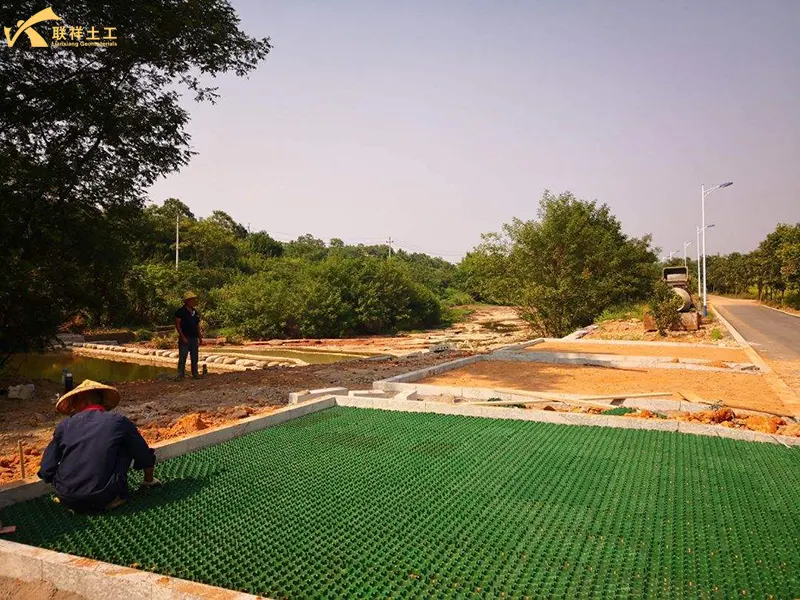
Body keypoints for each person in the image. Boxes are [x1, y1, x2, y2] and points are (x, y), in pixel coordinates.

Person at [38, 380, 161, 513]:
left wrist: (63, 488)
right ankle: (121, 493)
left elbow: (46, 470)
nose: (73, 409)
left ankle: (73, 496)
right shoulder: (118, 422)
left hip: (67, 498)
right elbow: (143, 455)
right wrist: (148, 479)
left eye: (74, 404)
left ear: (84, 402)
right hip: (105, 498)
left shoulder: (64, 426)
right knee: (125, 443)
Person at [175, 291, 203, 380]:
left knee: (195, 356)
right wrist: (182, 337)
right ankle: (180, 375)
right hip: (185, 337)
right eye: (192, 299)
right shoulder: (180, 311)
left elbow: (197, 325)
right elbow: (177, 325)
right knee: (183, 356)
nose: (194, 301)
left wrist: (200, 336)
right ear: (187, 301)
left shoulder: (195, 312)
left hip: (194, 337)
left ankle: (195, 373)